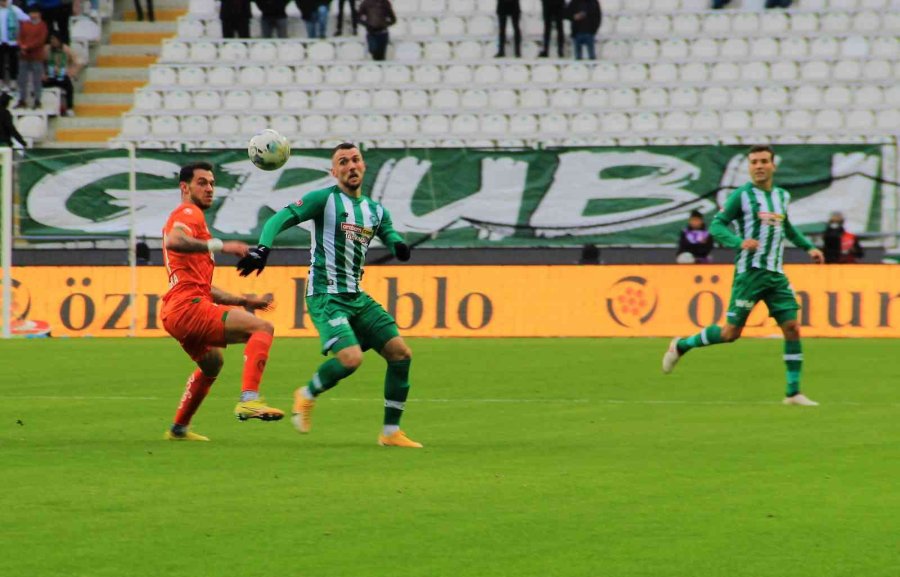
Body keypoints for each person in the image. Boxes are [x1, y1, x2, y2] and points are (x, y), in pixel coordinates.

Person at [236, 142, 422, 448]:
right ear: (333, 171)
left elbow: (389, 234)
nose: (351, 166)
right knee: (351, 358)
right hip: (326, 296)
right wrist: (263, 248)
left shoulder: (375, 211)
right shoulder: (323, 200)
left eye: (355, 159)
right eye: (343, 162)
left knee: (401, 354)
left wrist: (398, 246)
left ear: (364, 165)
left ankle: (390, 433)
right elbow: (279, 218)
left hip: (357, 297)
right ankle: (306, 394)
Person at [662, 145, 825, 406]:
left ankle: (793, 393)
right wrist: (739, 242)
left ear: (773, 165)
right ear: (749, 167)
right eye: (754, 162)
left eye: (763, 161)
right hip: (750, 274)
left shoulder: (781, 196)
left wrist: (809, 247)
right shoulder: (742, 196)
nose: (758, 166)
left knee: (792, 328)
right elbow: (717, 225)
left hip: (775, 275)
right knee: (730, 334)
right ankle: (681, 345)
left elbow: (787, 228)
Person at [161, 162, 284, 441]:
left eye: (212, 183)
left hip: (176, 311)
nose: (209, 188)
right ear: (184, 187)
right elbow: (174, 240)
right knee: (262, 328)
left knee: (212, 364)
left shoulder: (191, 219)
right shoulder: (188, 213)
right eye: (202, 182)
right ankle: (249, 400)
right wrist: (221, 245)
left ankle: (179, 428)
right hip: (188, 307)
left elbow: (204, 286)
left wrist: (243, 300)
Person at [42, 31, 81, 116]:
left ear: (59, 40)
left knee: (69, 86)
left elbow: (77, 62)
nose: (53, 41)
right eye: (51, 39)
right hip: (50, 76)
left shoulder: (66, 49)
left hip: (62, 75)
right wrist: (43, 74)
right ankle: (42, 105)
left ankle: (69, 108)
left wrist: (71, 73)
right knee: (40, 84)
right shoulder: (46, 49)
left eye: (54, 39)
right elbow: (39, 63)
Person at [16, 6, 46, 109]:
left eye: (35, 13)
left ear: (39, 14)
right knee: (22, 80)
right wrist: (21, 46)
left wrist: (27, 46)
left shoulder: (42, 26)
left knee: (37, 80)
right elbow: (19, 37)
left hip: (36, 56)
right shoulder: (25, 25)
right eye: (31, 13)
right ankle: (22, 100)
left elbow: (40, 40)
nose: (33, 15)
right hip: (24, 56)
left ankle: (37, 100)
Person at [0, 0, 29, 88]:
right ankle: (1, 80)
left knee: (13, 61)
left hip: (12, 41)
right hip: (0, 41)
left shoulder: (14, 9)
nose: (3, 3)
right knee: (0, 61)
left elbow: (26, 18)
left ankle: (13, 79)